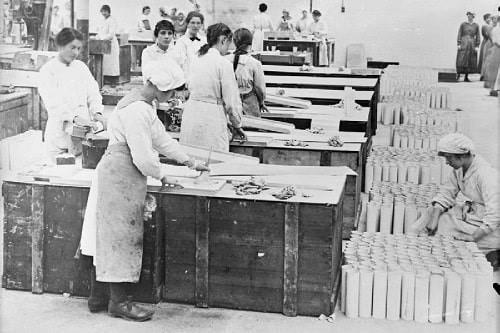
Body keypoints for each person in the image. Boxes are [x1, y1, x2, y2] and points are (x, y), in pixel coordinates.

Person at [79, 59, 209, 321]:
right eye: (171, 92)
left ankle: (99, 296)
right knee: (120, 237)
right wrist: (163, 175)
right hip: (120, 173)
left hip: (123, 172)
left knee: (107, 236)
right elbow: (143, 157)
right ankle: (119, 303)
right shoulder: (137, 110)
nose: (172, 97)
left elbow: (160, 139)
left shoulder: (143, 102)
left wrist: (188, 161)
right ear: (160, 87)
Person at [418, 133, 499, 252]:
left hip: (489, 228)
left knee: (449, 241)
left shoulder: (486, 175)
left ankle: (493, 252)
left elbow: (495, 215)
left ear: (462, 156)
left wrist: (473, 237)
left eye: (448, 157)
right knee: (434, 213)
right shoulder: (460, 170)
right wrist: (434, 219)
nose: (446, 162)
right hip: (474, 215)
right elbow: (446, 194)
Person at [38, 28, 105, 161]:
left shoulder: (81, 67)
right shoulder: (48, 71)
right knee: (59, 173)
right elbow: (53, 104)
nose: (76, 52)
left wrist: (97, 113)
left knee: (81, 170)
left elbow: (93, 93)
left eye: (79, 48)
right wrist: (75, 118)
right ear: (60, 45)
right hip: (59, 135)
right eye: (72, 47)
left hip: (82, 133)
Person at [180, 23, 247, 152]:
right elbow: (231, 102)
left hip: (191, 112)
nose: (228, 48)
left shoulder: (195, 59)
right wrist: (237, 124)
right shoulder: (223, 64)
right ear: (223, 40)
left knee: (191, 158)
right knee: (213, 159)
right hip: (211, 116)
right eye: (228, 43)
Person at [225, 28, 267, 117]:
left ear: (234, 42)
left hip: (229, 104)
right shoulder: (255, 63)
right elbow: (260, 89)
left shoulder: (224, 60)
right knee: (253, 128)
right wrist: (261, 102)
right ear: (250, 43)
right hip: (249, 105)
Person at [171, 11, 206, 77]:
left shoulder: (204, 41)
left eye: (198, 23)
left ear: (201, 25)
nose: (195, 26)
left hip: (202, 76)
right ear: (187, 24)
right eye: (192, 23)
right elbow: (180, 63)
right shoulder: (181, 41)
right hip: (187, 77)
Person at [96, 5, 120, 78]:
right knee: (106, 63)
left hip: (111, 43)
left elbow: (111, 35)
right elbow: (100, 32)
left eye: (105, 11)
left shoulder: (112, 20)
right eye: (102, 11)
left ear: (109, 12)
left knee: (112, 64)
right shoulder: (102, 20)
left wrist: (102, 38)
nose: (104, 13)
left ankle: (113, 80)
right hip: (104, 43)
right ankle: (105, 79)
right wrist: (97, 37)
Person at [456, 12, 480, 82]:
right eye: (468, 15)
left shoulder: (476, 25)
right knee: (461, 59)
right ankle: (458, 74)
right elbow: (459, 33)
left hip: (472, 44)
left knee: (470, 60)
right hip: (464, 43)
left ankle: (466, 76)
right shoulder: (463, 24)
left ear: (473, 16)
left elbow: (478, 35)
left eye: (471, 15)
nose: (469, 16)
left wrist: (477, 45)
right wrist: (459, 43)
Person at [481, 15, 497, 81]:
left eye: (497, 19)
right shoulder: (489, 27)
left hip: (495, 44)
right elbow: (488, 36)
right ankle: (483, 75)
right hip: (489, 43)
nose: (495, 20)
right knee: (486, 59)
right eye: (494, 18)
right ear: (492, 19)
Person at [478, 13, 492, 79]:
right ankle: (482, 74)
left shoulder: (491, 26)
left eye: (490, 18)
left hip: (490, 42)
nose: (489, 19)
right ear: (485, 19)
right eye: (488, 18)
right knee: (484, 58)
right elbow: (485, 35)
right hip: (486, 42)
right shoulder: (484, 26)